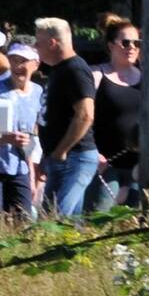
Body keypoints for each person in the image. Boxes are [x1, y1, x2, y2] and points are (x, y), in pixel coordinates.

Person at [35, 17, 99, 219]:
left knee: (55, 220)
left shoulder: (75, 69)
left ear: (52, 43)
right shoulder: (59, 70)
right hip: (60, 158)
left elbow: (86, 114)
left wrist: (61, 150)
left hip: (75, 157)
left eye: (39, 43)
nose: (36, 47)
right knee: (66, 224)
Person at [89, 14, 143, 210]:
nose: (132, 47)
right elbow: (81, 116)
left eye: (137, 43)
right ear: (111, 45)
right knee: (99, 218)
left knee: (138, 223)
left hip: (140, 166)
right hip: (105, 164)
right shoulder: (96, 75)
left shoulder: (148, 77)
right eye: (126, 42)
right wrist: (92, 152)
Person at [0, 44, 43, 218]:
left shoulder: (38, 92)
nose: (18, 66)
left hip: (22, 167)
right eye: (14, 60)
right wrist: (6, 138)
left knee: (24, 219)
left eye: (23, 61)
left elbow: (32, 134)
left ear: (36, 64)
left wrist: (33, 175)